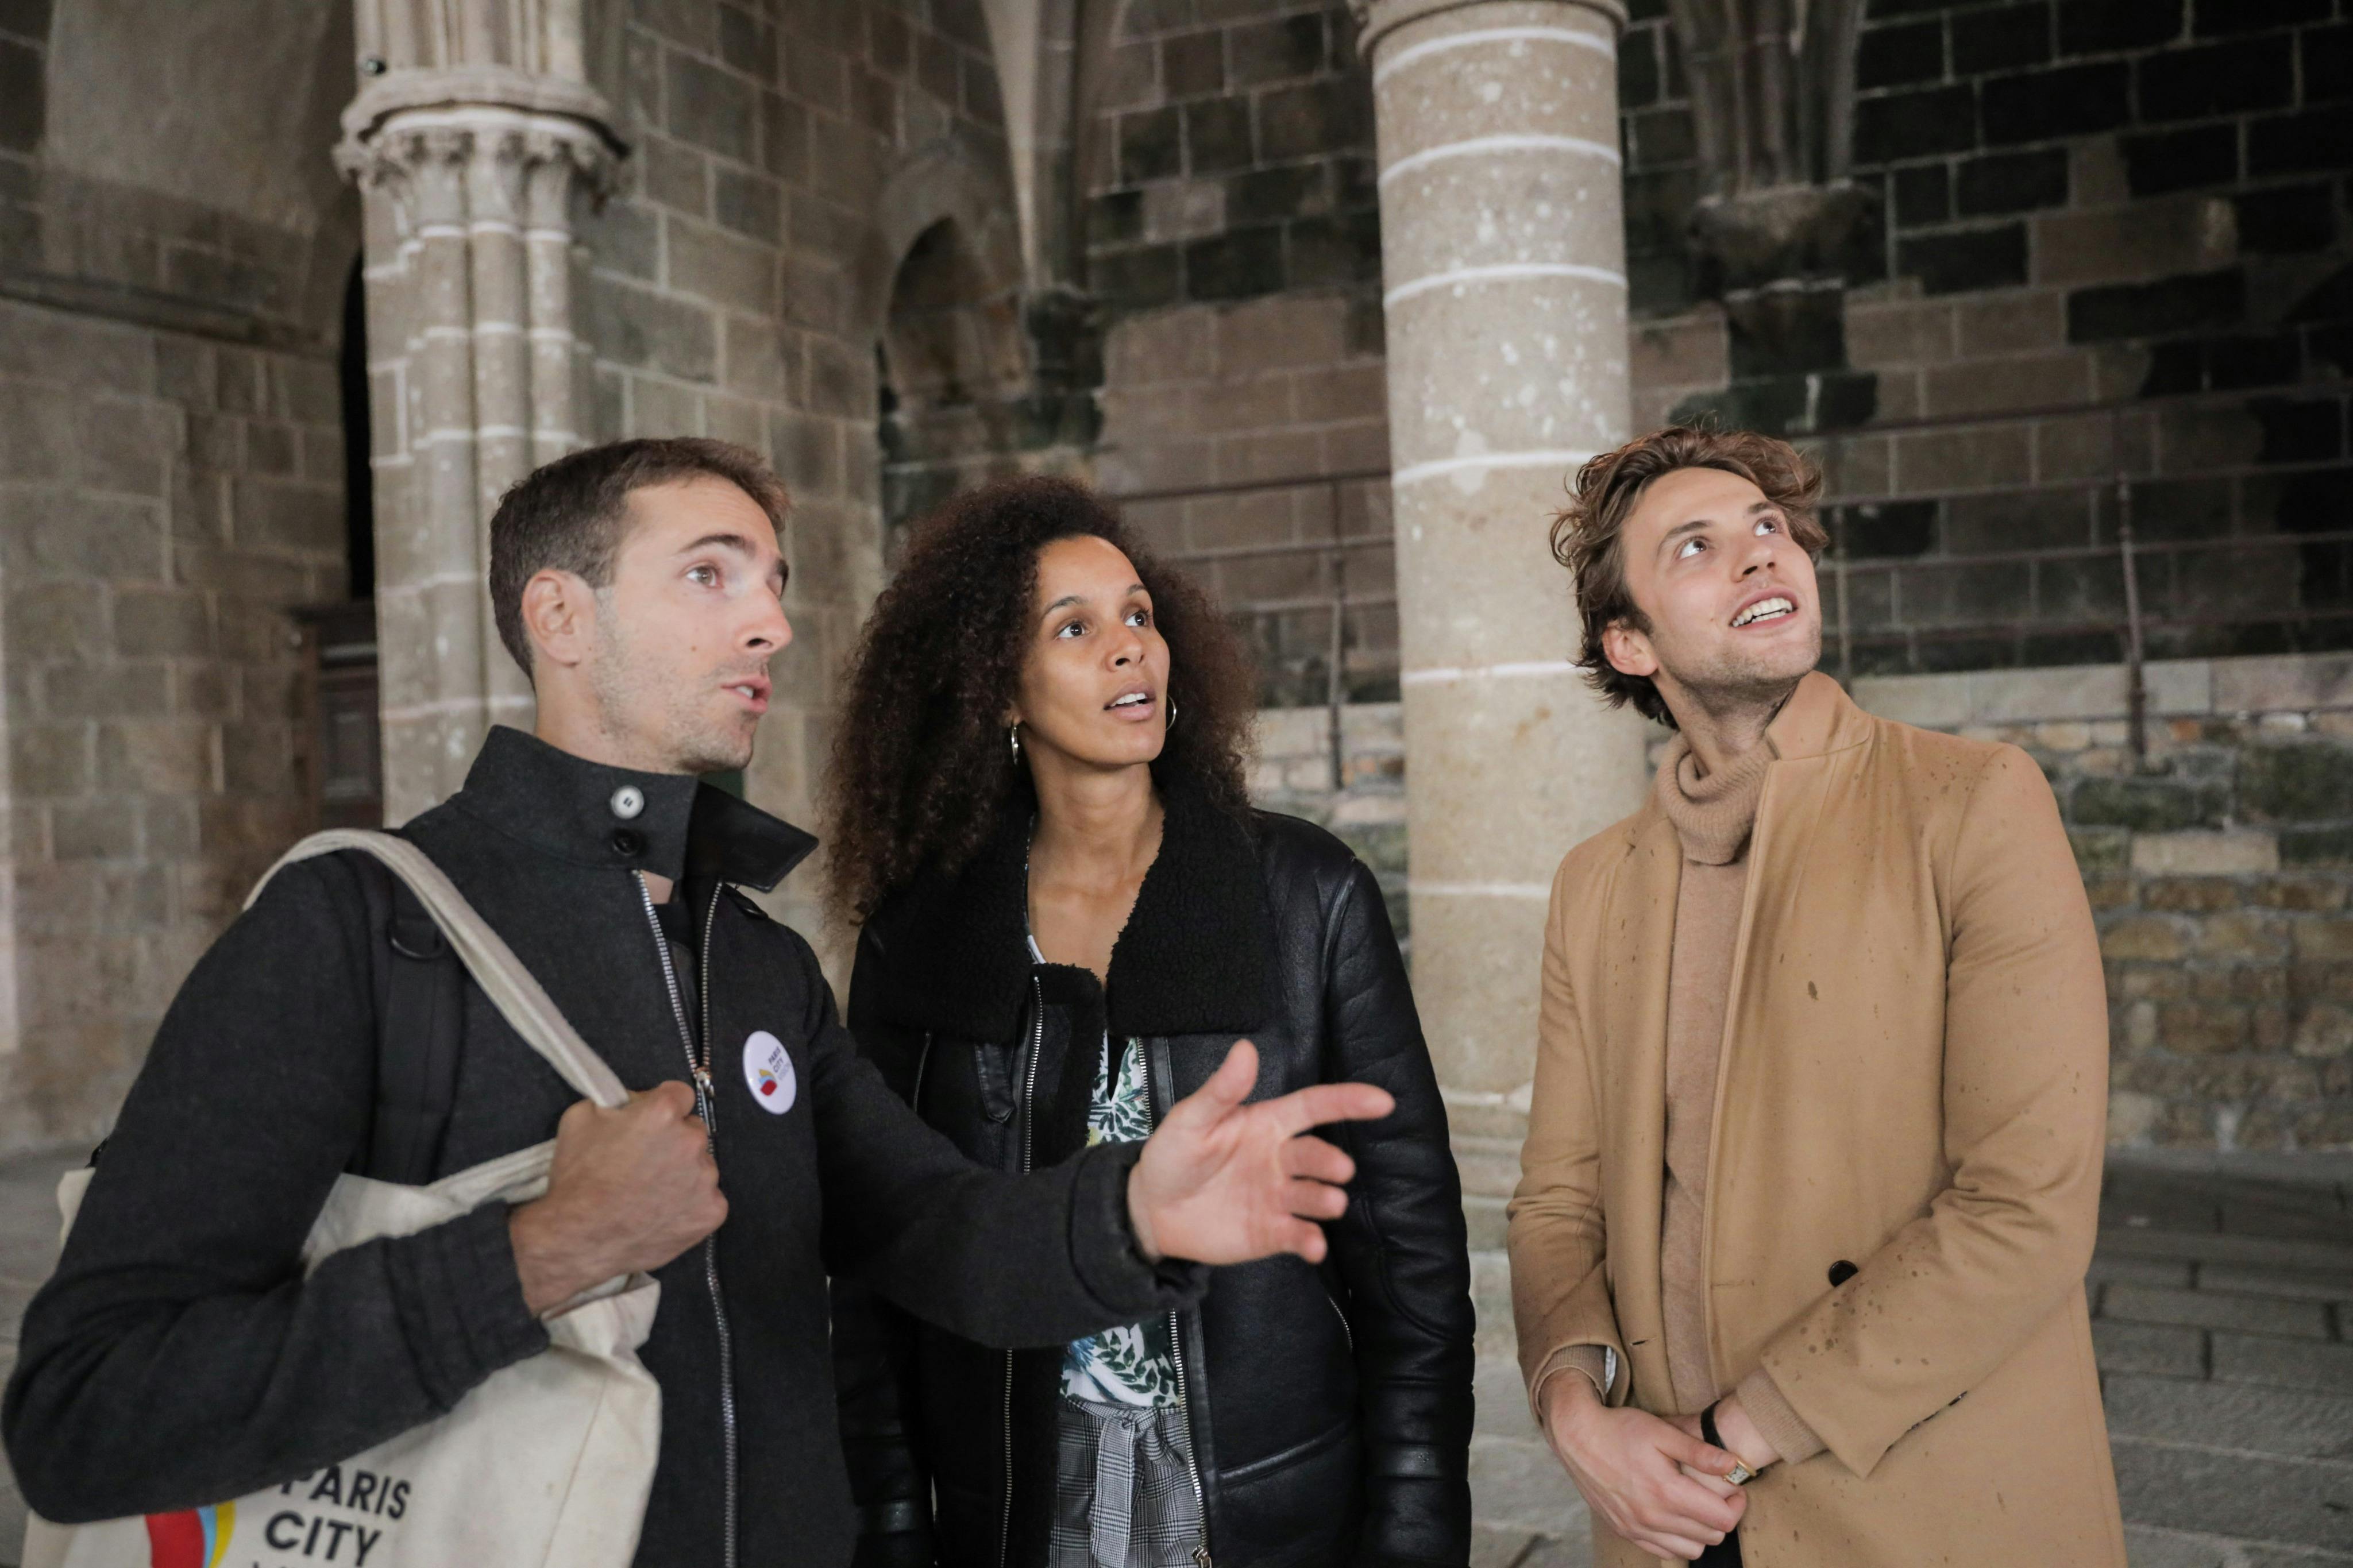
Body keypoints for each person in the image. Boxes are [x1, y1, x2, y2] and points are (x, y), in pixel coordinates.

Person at [1, 439, 1399, 1568]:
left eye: (773, 581)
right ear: (560, 615)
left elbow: (927, 1229)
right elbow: (83, 1408)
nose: (770, 622)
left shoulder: (755, 961)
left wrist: (1129, 1214)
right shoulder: (356, 926)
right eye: (709, 574)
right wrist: (537, 1255)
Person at [823, 476, 1475, 1568]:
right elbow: (878, 1260)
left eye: (1139, 613)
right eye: (1074, 628)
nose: (1130, 646)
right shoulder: (919, 934)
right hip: (1021, 1511)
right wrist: (893, 1526)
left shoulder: (1306, 895)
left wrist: (1413, 1525)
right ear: (999, 690)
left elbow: (1411, 1258)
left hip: (1270, 1507)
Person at [1507, 426, 2124, 1568]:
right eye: (1695, 546)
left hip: (1913, 1501)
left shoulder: (1971, 802)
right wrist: (1577, 1415)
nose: (1761, 554)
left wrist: (1734, 1437)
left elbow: (2024, 1201)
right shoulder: (1594, 884)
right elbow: (1555, 1204)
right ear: (1630, 642)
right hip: (1665, 1518)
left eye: (1768, 528)